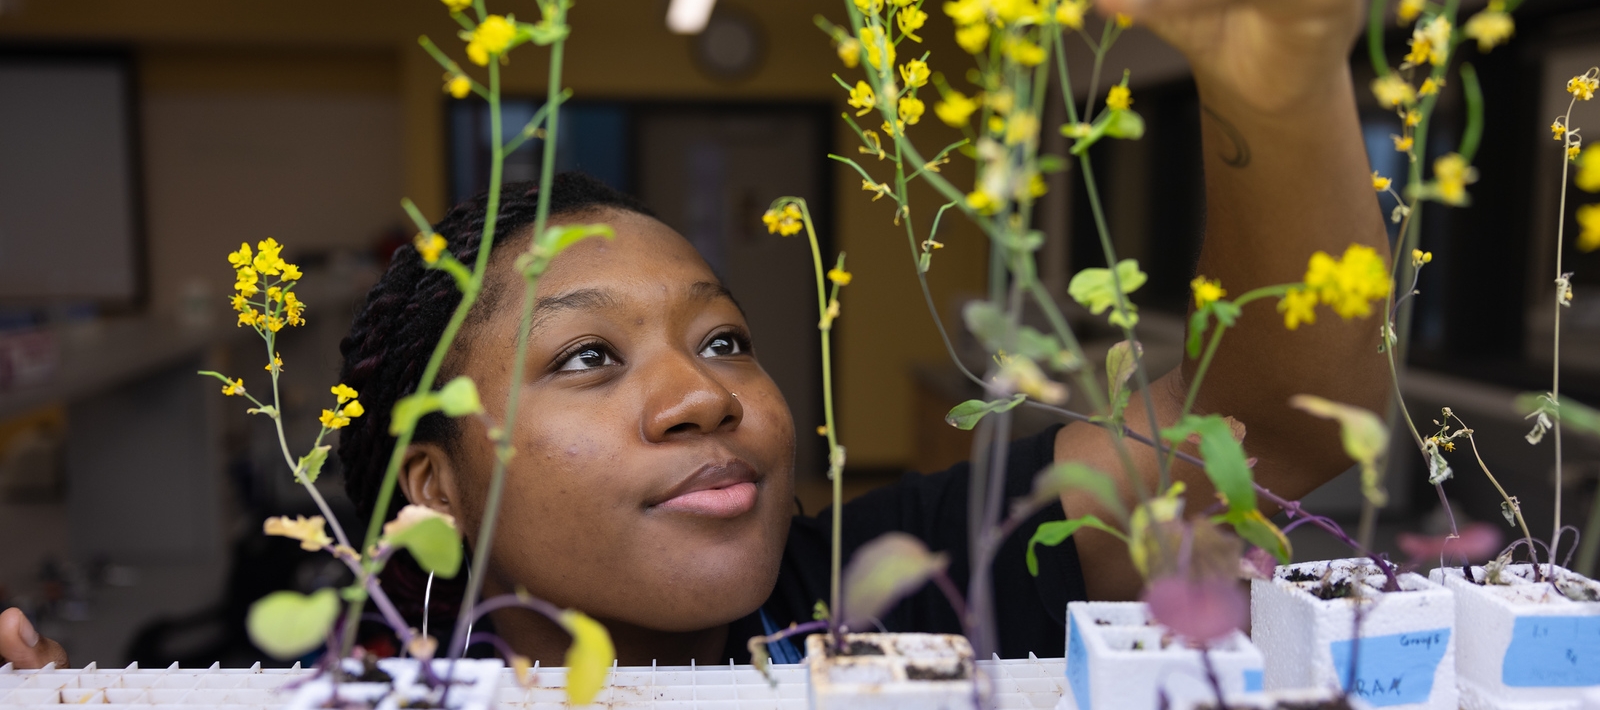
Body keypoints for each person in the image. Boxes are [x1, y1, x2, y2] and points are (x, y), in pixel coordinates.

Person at [1, 0, 1389, 669]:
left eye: (724, 340)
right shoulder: (332, 688)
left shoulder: (911, 575)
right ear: (433, 481)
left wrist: (1277, 86)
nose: (699, 395)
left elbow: (1286, 420)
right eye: (589, 357)